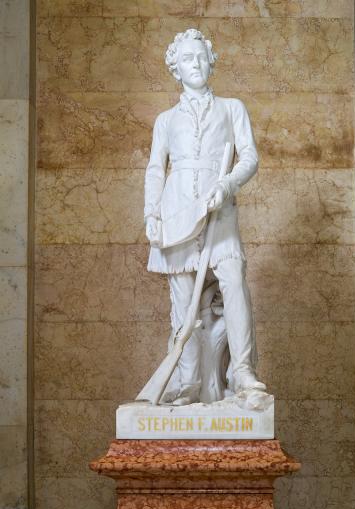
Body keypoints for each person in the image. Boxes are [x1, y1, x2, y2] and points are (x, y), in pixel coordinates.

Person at [144, 28, 266, 405]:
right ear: (175, 69)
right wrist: (151, 212)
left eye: (200, 57)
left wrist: (226, 185)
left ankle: (242, 371)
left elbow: (250, 157)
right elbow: (154, 168)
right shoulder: (165, 120)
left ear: (211, 62)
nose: (194, 64)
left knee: (233, 283)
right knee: (183, 300)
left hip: (219, 208)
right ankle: (188, 381)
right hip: (176, 209)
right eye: (186, 59)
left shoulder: (232, 108)